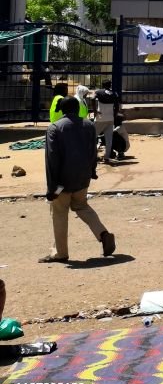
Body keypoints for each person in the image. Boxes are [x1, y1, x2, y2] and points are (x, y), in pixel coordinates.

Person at [39, 96, 116, 263]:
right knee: (81, 206)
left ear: (62, 110)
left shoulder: (55, 128)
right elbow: (93, 151)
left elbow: (52, 158)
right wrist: (92, 171)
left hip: (62, 181)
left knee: (59, 213)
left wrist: (52, 187)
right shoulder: (88, 125)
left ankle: (61, 253)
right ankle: (103, 234)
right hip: (82, 177)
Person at [93, 80, 120, 164]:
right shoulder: (114, 94)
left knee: (93, 137)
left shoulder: (98, 92)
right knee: (109, 139)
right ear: (110, 85)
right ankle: (107, 157)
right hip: (110, 118)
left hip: (100, 118)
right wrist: (114, 115)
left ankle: (93, 156)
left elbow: (92, 98)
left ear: (102, 84)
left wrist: (95, 111)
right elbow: (117, 106)